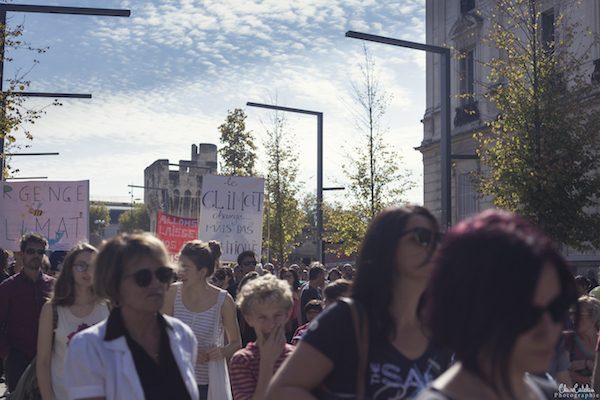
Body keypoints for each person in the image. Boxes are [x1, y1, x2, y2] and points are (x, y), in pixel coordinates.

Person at [267, 206, 451, 399]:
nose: (435, 247)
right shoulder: (345, 320)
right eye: (422, 237)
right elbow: (282, 390)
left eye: (439, 239)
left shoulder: (438, 327)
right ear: (386, 247)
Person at [417, 210, 577, 400]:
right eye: (526, 315)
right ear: (470, 309)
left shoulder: (552, 394)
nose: (549, 330)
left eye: (556, 309)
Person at [64, 233, 199, 400]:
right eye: (143, 278)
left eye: (163, 274)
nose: (156, 283)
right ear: (114, 284)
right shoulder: (88, 348)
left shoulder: (183, 335)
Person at [162, 240, 241, 400]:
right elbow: (160, 335)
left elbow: (236, 342)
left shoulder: (224, 300)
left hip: (207, 386)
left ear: (202, 271)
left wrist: (221, 352)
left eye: (186, 268)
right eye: (179, 265)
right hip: (174, 380)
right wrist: (187, 352)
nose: (179, 272)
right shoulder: (171, 293)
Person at [36, 243, 110, 400]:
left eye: (93, 266)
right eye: (81, 265)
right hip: (63, 394)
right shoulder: (52, 309)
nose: (87, 271)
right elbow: (43, 362)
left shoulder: (109, 306)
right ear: (70, 268)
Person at [0, 233, 54, 392]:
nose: (36, 255)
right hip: (18, 361)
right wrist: (7, 353)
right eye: (31, 251)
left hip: (50, 359)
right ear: (22, 254)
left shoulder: (55, 287)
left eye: (40, 252)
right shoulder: (7, 288)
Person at [229, 274, 295, 400]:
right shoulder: (242, 360)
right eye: (262, 317)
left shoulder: (298, 357)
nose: (271, 324)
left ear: (287, 315)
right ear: (249, 319)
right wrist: (267, 361)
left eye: (277, 316)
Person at [563, 296, 600, 387]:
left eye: (577, 314)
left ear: (594, 317)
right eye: (571, 313)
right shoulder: (566, 339)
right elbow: (564, 374)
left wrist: (586, 364)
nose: (572, 318)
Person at [279, 267, 301, 341]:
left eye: (289, 276)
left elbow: (299, 310)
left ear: (294, 278)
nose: (287, 278)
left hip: (295, 322)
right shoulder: (280, 292)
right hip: (284, 323)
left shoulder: (298, 291)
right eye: (285, 276)